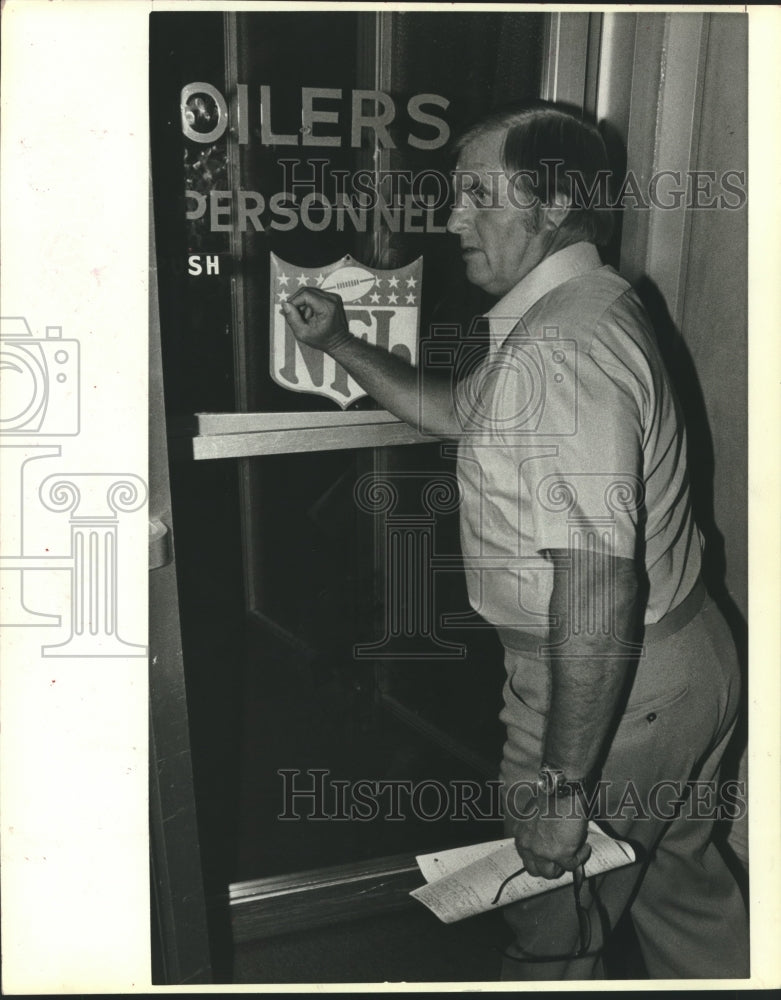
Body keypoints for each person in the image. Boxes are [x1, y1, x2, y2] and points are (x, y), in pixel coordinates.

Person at [280, 104, 749, 980]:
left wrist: (561, 788)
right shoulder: (587, 301)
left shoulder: (560, 349)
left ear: (557, 200)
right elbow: (460, 413)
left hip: (611, 689)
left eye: (477, 196)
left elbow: (599, 592)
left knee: (548, 935)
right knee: (680, 898)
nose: (452, 218)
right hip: (685, 668)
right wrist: (340, 341)